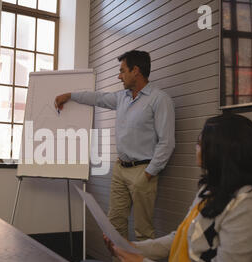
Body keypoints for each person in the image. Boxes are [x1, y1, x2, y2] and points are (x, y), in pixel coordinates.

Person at [78, 113, 252, 262]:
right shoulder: (210, 190)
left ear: (221, 152)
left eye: (200, 143)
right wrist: (132, 248)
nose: (196, 148)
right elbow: (180, 238)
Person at [55, 50, 175, 242]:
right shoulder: (122, 98)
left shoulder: (159, 100)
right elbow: (97, 98)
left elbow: (167, 142)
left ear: (136, 71)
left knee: (143, 231)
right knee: (114, 225)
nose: (119, 76)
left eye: (122, 71)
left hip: (143, 172)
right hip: (120, 169)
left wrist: (148, 174)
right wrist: (70, 95)